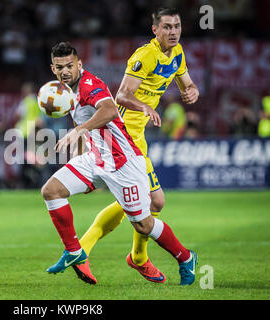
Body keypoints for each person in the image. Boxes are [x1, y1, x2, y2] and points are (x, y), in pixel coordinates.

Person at [41, 41, 197, 286]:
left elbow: (111, 110)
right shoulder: (63, 91)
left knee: (144, 225)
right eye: (60, 67)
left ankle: (186, 258)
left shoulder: (89, 84)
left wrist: (79, 130)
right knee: (51, 191)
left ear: (79, 64)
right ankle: (74, 251)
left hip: (123, 162)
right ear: (53, 69)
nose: (65, 71)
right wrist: (81, 139)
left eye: (70, 65)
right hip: (96, 158)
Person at [75, 8, 200, 285]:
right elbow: (122, 94)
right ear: (155, 30)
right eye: (166, 27)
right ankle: (95, 250)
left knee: (150, 201)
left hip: (135, 136)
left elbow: (186, 83)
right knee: (152, 201)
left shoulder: (177, 53)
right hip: (123, 137)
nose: (173, 31)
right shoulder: (145, 55)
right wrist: (144, 106)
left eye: (177, 26)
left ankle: (128, 255)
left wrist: (191, 91)